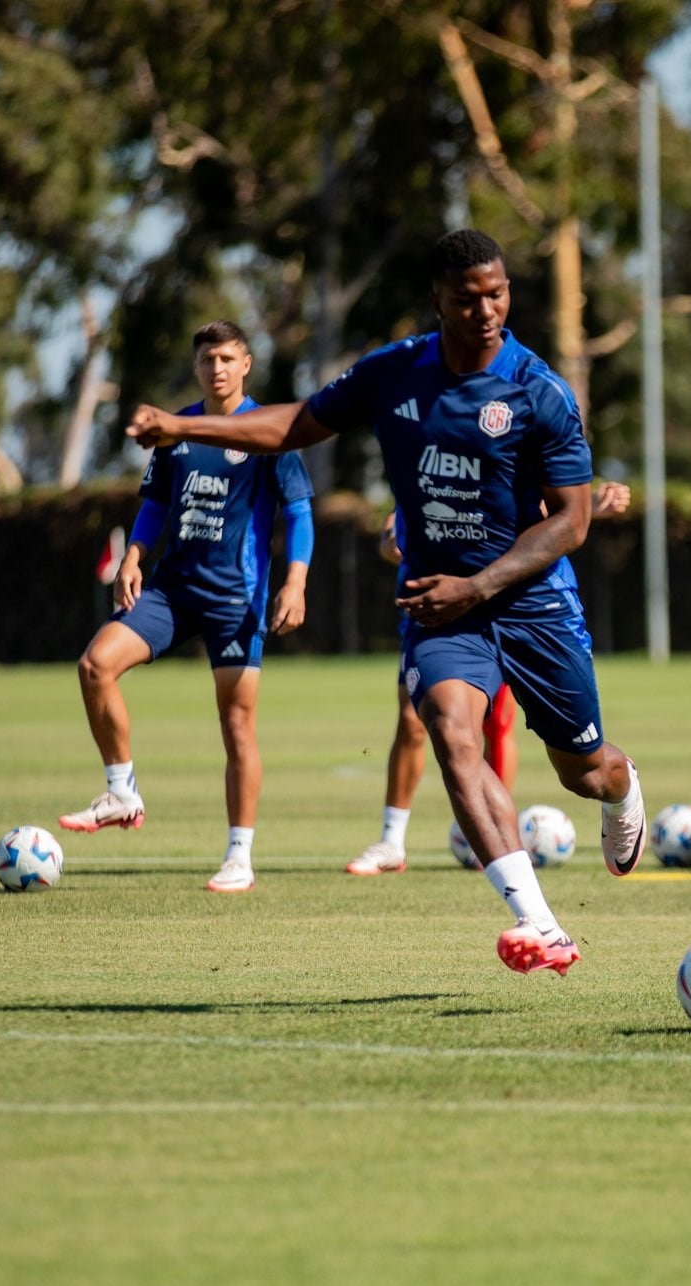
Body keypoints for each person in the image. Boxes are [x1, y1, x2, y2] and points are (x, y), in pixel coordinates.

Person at [129, 228, 645, 975]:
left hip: (532, 602)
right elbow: (295, 424)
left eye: (497, 295)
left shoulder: (539, 391)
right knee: (451, 733)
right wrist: (182, 427)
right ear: (437, 301)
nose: (487, 311)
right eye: (468, 299)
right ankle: (542, 925)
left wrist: (482, 583)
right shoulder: (394, 374)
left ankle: (623, 790)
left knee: (585, 769)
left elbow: (572, 520)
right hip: (439, 605)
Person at [59, 321, 314, 894]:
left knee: (237, 726)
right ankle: (121, 792)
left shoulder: (267, 431)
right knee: (95, 665)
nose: (217, 368)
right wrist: (133, 559)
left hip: (235, 600)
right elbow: (154, 503)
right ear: (196, 366)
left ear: (246, 363)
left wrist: (295, 582)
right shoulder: (176, 430)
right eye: (207, 359)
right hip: (172, 592)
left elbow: (299, 512)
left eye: (227, 358)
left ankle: (238, 856)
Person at [345, 482, 629, 876]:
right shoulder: (424, 448)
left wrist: (591, 507)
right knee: (414, 722)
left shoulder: (508, 447)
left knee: (501, 727)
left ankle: (496, 833)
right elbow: (392, 534)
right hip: (439, 616)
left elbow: (553, 515)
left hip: (512, 611)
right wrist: (393, 543)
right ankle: (392, 840)